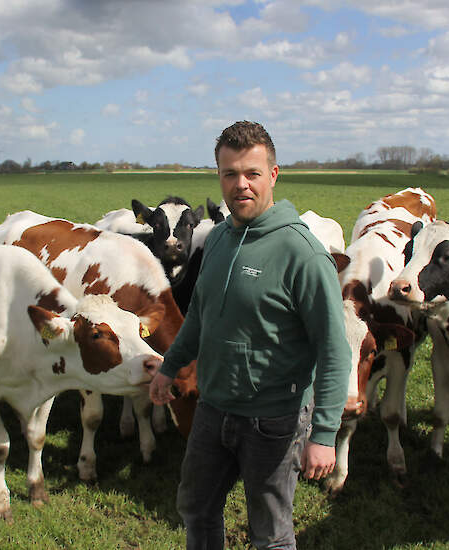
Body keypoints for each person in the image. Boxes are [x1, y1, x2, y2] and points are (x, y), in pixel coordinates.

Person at [149, 120, 351, 549]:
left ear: (273, 175)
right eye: (229, 173)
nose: (240, 185)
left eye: (252, 173)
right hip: (213, 407)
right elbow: (200, 316)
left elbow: (334, 350)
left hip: (273, 419)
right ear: (219, 176)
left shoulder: (304, 255)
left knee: (271, 533)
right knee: (196, 508)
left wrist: (324, 434)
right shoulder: (219, 240)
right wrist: (170, 368)